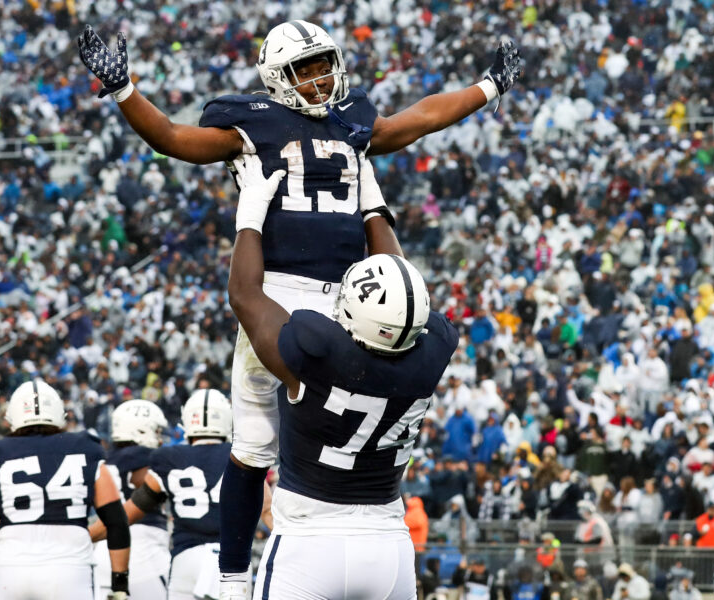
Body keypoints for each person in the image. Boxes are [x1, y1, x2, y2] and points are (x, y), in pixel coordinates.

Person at [77, 22, 519, 596]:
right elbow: (174, 138)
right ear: (276, 77)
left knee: (360, 420)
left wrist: (488, 88)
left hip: (353, 297)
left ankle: (339, 539)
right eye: (305, 69)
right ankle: (234, 577)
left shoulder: (350, 117)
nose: (320, 77)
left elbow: (418, 120)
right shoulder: (250, 118)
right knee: (254, 445)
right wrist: (124, 90)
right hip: (277, 292)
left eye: (324, 64)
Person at [223, 153, 459, 598]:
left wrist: (251, 210)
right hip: (389, 545)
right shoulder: (434, 351)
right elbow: (402, 286)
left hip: (310, 543)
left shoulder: (318, 349)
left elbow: (244, 293)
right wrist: (372, 204)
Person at [0, 379, 130, 600]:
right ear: (60, 413)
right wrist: (119, 585)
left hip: (11, 570)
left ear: (12, 417)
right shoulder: (85, 448)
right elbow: (117, 522)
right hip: (69, 570)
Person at [91, 390, 269, 600]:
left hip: (185, 559)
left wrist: (83, 536)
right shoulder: (241, 455)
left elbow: (128, 512)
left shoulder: (168, 458)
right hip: (231, 560)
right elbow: (267, 509)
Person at [93, 399, 170, 600]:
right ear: (142, 429)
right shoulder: (150, 456)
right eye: (157, 431)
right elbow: (145, 485)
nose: (160, 439)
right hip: (144, 550)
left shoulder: (102, 460)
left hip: (103, 551)